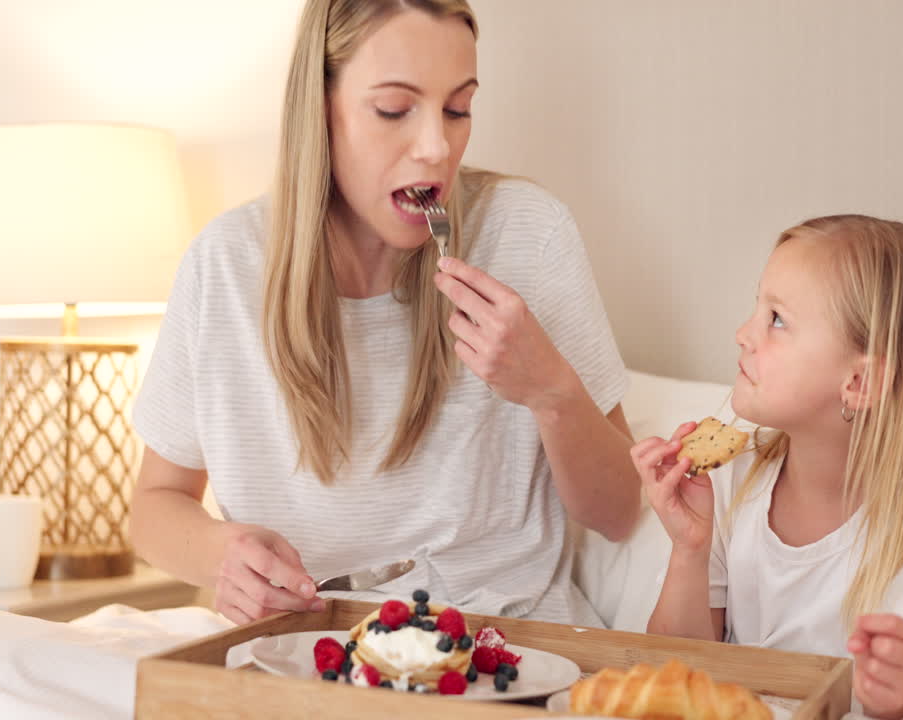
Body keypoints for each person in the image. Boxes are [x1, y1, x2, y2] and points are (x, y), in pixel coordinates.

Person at [130, 0, 638, 628]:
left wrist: (551, 391)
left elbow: (620, 512)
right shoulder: (226, 265)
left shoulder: (527, 234)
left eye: (458, 109)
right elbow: (154, 506)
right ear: (320, 108)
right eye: (395, 110)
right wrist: (218, 556)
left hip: (508, 647)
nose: (436, 147)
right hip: (306, 650)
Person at [633, 215, 903, 719]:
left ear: (858, 383)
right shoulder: (731, 483)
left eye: (776, 319)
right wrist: (690, 548)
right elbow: (676, 670)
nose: (742, 334)